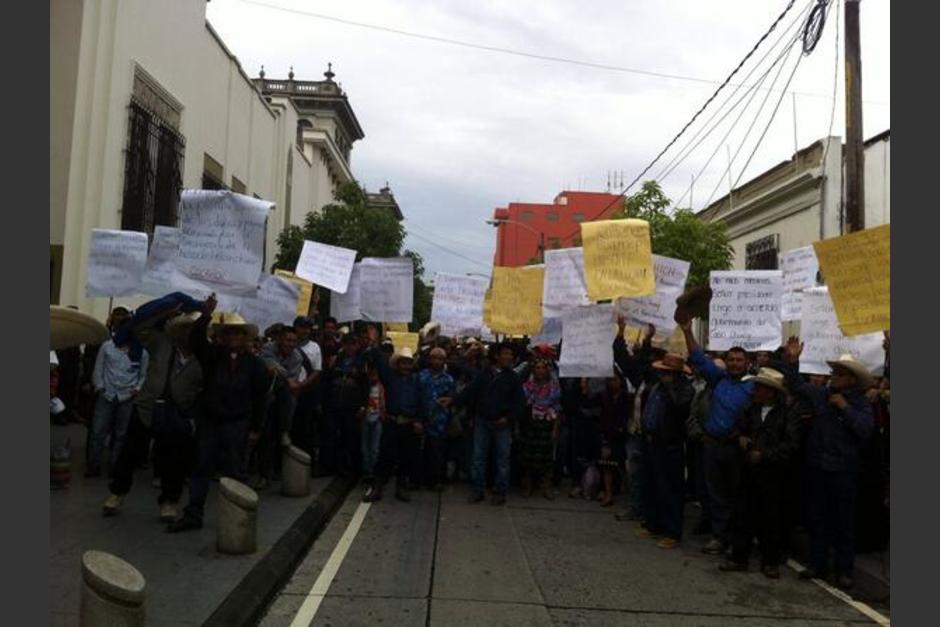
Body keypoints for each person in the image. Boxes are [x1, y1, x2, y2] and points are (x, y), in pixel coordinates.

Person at [102, 292, 210, 521]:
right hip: (147, 406)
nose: (186, 333)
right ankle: (117, 494)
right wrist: (162, 314)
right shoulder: (161, 343)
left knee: (174, 460)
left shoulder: (203, 357)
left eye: (191, 330)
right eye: (183, 329)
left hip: (178, 412)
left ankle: (169, 502)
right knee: (129, 453)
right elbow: (140, 329)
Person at [168, 308, 271, 532]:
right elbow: (196, 340)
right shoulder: (212, 356)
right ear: (222, 337)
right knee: (201, 467)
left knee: (235, 471)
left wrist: (255, 429)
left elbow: (260, 399)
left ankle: (237, 517)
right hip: (210, 421)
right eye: (229, 334)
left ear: (245, 337)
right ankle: (193, 515)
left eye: (238, 334)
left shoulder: (255, 365)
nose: (233, 338)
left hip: (238, 423)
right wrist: (206, 315)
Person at [782, 340, 874, 590]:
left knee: (843, 523)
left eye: (839, 374)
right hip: (817, 468)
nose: (833, 376)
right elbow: (797, 386)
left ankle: (844, 570)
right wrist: (792, 362)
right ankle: (817, 564)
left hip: (843, 471)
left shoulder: (861, 404)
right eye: (834, 373)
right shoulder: (822, 396)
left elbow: (865, 430)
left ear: (851, 380)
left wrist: (844, 408)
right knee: (817, 519)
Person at [679, 316, 754, 556]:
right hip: (712, 446)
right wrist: (688, 332)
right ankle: (719, 537)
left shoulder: (754, 386)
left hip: (736, 449)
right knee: (716, 494)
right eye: (730, 360)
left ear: (747, 363)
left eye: (739, 360)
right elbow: (699, 358)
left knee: (737, 495)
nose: (733, 363)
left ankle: (738, 539)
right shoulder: (718, 380)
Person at [719, 367, 802, 579]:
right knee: (743, 514)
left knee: (771, 518)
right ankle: (740, 557)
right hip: (748, 470)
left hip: (774, 474)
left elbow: (791, 445)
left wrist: (764, 455)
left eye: (759, 388)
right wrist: (741, 438)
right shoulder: (750, 409)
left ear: (771, 392)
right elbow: (738, 429)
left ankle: (770, 561)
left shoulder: (788, 414)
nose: (755, 391)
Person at [635, 353, 694, 550]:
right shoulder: (656, 386)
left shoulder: (684, 389)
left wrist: (670, 387)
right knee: (651, 485)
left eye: (667, 372)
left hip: (669, 444)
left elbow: (681, 408)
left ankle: (672, 531)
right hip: (651, 441)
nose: (663, 374)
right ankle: (653, 524)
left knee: (670, 489)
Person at [457, 342, 525, 506]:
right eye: (505, 353)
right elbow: (469, 391)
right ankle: (477, 490)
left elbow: (519, 403)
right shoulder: (484, 374)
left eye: (511, 354)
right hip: (483, 421)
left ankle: (500, 491)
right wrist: (453, 400)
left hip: (502, 424)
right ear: (496, 355)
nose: (509, 357)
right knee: (478, 457)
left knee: (502, 459)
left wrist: (508, 418)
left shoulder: (514, 378)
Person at [87, 307, 148, 478]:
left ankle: (115, 467)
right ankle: (93, 466)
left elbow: (143, 375)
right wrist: (100, 388)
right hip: (106, 395)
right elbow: (98, 370)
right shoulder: (107, 347)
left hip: (127, 398)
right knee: (98, 433)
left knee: (121, 435)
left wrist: (136, 390)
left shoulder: (141, 353)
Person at [363, 344, 424, 503]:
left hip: (408, 424)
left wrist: (419, 420)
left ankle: (401, 488)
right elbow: (379, 359)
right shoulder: (390, 377)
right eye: (402, 362)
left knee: (406, 457)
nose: (405, 366)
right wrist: (374, 340)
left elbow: (421, 402)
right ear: (397, 364)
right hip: (391, 422)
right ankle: (377, 487)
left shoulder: (416, 381)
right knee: (385, 456)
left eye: (408, 363)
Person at [256, 325, 305, 489]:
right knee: (265, 437)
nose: (291, 344)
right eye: (288, 340)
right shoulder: (269, 348)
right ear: (279, 340)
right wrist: (283, 375)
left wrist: (280, 375)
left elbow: (291, 382)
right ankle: (263, 475)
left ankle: (277, 469)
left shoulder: (297, 356)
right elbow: (267, 364)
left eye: (294, 341)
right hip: (265, 396)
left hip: (283, 400)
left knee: (279, 437)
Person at [520, 359, 561, 500]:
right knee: (528, 457)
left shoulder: (554, 387)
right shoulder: (527, 386)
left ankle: (547, 487)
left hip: (547, 424)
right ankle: (528, 485)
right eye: (537, 368)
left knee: (547, 459)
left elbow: (557, 408)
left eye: (543, 368)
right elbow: (523, 404)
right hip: (531, 424)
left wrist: (555, 429)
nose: (540, 371)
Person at [419, 347, 456, 491]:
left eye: (440, 358)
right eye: (434, 358)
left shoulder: (448, 379)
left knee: (437, 452)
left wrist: (449, 400)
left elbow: (452, 397)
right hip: (422, 419)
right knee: (422, 451)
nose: (436, 361)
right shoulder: (421, 376)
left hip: (440, 422)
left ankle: (435, 480)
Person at [596, 372, 632, 508]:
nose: (612, 383)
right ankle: (608, 493)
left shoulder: (626, 397)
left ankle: (625, 488)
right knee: (607, 465)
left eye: (615, 380)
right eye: (610, 380)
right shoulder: (604, 396)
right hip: (607, 434)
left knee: (621, 465)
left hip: (622, 435)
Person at [361, 363, 386, 484]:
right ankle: (367, 470)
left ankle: (374, 471)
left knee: (375, 447)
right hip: (366, 418)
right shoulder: (365, 387)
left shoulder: (381, 388)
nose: (373, 378)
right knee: (365, 447)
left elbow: (383, 402)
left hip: (377, 419)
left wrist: (383, 414)